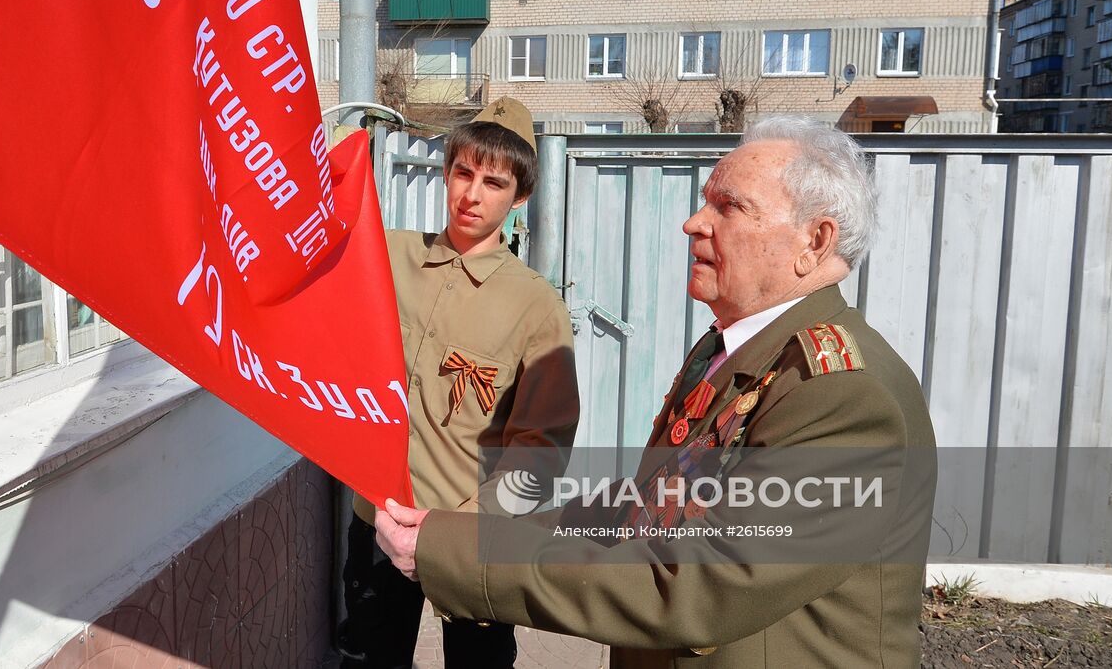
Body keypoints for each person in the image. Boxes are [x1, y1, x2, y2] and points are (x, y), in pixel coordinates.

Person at [375, 114, 937, 668]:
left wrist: (463, 552)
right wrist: (475, 533)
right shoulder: (733, 348)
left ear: (814, 241)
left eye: (729, 207)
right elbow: (649, 507)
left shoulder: (844, 396)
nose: (693, 223)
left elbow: (694, 584)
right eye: (705, 201)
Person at [337, 97, 579, 669]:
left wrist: (460, 529)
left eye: (494, 183)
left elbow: (542, 449)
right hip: (378, 521)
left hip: (474, 541)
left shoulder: (537, 308)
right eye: (464, 173)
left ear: (520, 196)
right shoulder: (388, 255)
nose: (472, 195)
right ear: (445, 173)